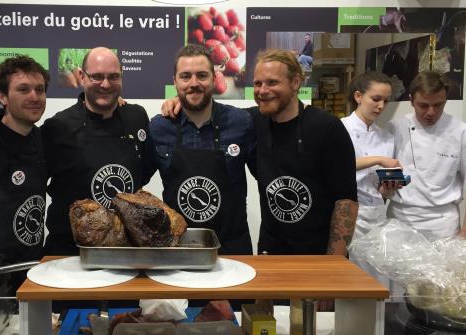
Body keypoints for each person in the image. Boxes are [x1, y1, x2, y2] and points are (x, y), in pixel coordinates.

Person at [41, 47, 155, 255]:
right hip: (70, 254)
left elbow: (144, 171)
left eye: (113, 77)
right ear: (82, 77)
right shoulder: (58, 127)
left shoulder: (136, 117)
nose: (105, 84)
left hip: (127, 252)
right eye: (97, 77)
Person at [149, 45, 256, 254]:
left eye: (202, 75)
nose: (194, 83)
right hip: (176, 250)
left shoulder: (242, 122)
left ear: (214, 78)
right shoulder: (158, 128)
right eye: (185, 76)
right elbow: (136, 180)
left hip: (232, 251)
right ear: (175, 81)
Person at [250, 49, 358, 256]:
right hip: (269, 252)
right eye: (257, 83)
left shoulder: (326, 127)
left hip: (317, 254)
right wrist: (177, 104)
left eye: (272, 82)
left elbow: (346, 200)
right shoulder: (253, 122)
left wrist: (334, 261)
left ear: (295, 83)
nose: (262, 90)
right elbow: (214, 113)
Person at [387, 71, 466, 239]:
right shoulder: (395, 128)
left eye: (438, 105)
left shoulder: (463, 132)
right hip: (400, 218)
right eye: (423, 105)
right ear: (411, 100)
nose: (431, 112)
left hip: (443, 223)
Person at [0, 54, 48, 263]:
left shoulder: (45, 141)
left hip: (32, 269)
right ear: (2, 96)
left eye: (40, 90)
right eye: (23, 89)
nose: (34, 97)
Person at [341, 71, 401, 238]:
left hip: (376, 214)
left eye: (386, 101)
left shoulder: (387, 137)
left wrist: (386, 189)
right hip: (345, 213)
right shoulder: (339, 129)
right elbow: (338, 166)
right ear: (358, 96)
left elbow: (379, 190)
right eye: (376, 99)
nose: (381, 106)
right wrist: (379, 160)